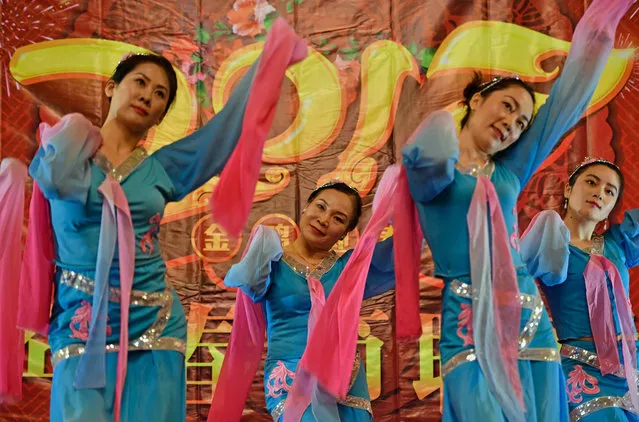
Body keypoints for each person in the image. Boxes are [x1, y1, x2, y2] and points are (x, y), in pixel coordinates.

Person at [5, 18, 305, 422]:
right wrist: (77, 132)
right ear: (112, 87)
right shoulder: (66, 147)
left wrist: (272, 59)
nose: (148, 95)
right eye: (140, 82)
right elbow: (56, 181)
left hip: (155, 323)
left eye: (160, 94)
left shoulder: (163, 169)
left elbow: (224, 131)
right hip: (79, 323)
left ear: (162, 115)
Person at [396, 0, 632, 420]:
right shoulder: (437, 167)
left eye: (523, 122)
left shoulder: (507, 174)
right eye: (507, 106)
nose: (513, 123)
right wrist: (441, 134)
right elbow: (422, 163)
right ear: (476, 100)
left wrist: (601, 23)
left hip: (528, 317)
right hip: (468, 316)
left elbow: (565, 102)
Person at [208, 181, 397, 421]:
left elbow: (399, 249)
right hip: (289, 378)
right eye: (320, 207)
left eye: (338, 219)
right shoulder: (269, 258)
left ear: (345, 234)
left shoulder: (349, 270)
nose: (324, 219)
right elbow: (246, 292)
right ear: (306, 207)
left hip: (344, 381)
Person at [520, 158, 639, 421]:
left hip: (633, 365)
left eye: (610, 191)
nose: (600, 193)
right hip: (583, 368)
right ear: (567, 189)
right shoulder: (550, 236)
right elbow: (509, 282)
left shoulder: (618, 243)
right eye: (591, 182)